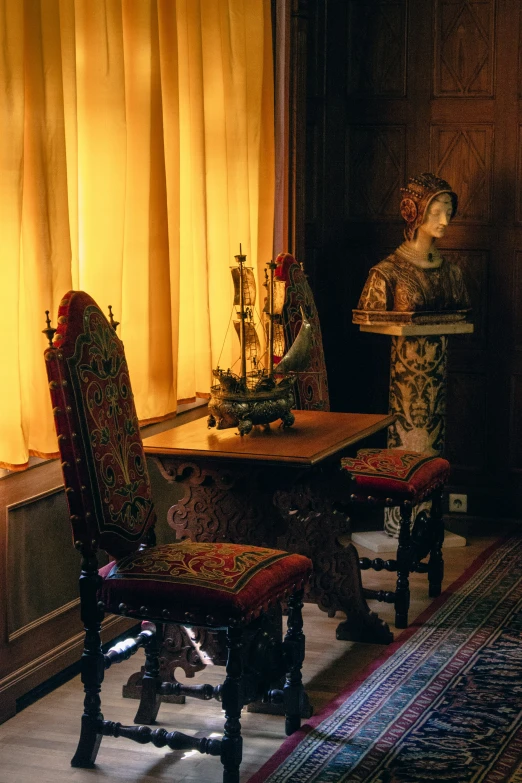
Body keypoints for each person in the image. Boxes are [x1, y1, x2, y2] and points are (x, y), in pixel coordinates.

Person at [355, 173, 470, 317]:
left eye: (448, 213)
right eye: (436, 213)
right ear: (415, 213)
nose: (444, 222)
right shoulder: (385, 274)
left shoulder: (453, 274)